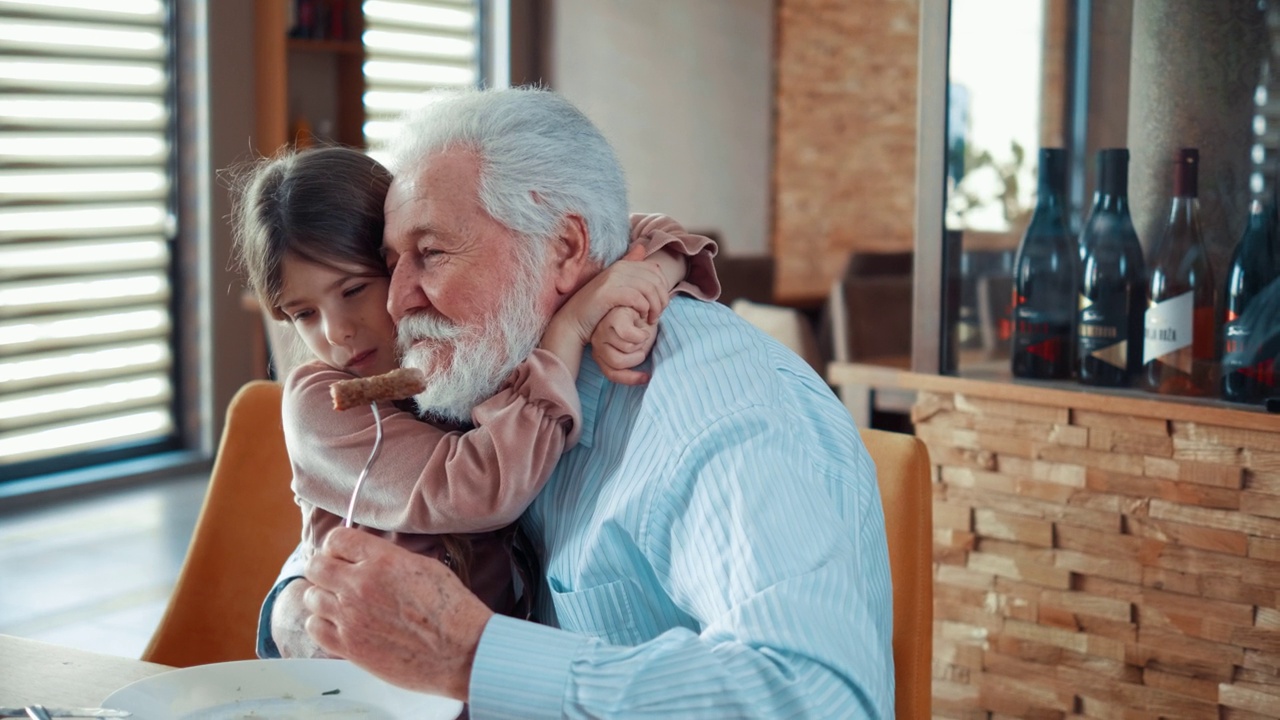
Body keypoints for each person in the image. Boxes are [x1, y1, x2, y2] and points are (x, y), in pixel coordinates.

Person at [265, 88, 894, 718]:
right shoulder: (485, 371)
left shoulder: (720, 415)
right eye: (389, 262)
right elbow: (365, 524)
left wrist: (468, 654)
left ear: (566, 249)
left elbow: (820, 698)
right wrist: (294, 605)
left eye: (429, 253)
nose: (397, 302)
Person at [232, 146, 720, 657]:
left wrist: (648, 280)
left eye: (354, 289)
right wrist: (569, 329)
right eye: (303, 314)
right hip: (373, 681)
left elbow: (636, 233)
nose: (336, 332)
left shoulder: (469, 339)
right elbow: (477, 489)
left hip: (492, 672)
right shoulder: (318, 403)